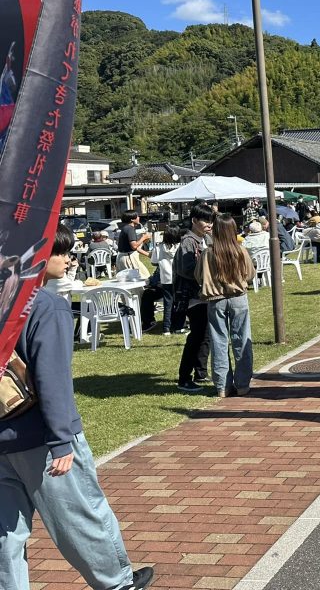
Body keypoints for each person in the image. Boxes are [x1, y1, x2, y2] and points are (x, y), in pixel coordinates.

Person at [0, 225, 155, 590]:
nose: (68, 259)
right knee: (81, 518)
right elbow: (52, 378)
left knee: (6, 533)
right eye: (60, 251)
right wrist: (61, 439)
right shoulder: (44, 306)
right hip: (39, 434)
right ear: (36, 256)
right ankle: (117, 583)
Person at [196, 214, 255, 399]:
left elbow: (199, 277)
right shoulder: (240, 250)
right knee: (242, 339)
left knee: (219, 342)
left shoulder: (208, 253)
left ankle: (222, 386)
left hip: (215, 300)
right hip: (238, 297)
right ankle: (243, 384)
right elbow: (250, 274)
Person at [175, 203, 214, 393]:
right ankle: (184, 377)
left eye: (211, 220)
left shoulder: (207, 238)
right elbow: (186, 270)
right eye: (205, 220)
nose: (209, 224)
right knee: (196, 336)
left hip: (206, 295)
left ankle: (201, 371)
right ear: (194, 221)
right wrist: (206, 269)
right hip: (193, 296)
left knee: (205, 334)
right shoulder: (188, 242)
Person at [140, 227, 181, 334]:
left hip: (165, 279)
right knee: (179, 302)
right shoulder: (180, 246)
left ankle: (166, 328)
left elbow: (153, 262)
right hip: (179, 278)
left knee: (168, 304)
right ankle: (177, 325)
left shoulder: (159, 247)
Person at [114, 210, 151, 279]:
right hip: (128, 258)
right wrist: (144, 237)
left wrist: (148, 254)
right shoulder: (130, 229)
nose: (139, 218)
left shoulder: (125, 228)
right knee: (143, 278)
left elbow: (133, 247)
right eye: (137, 216)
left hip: (123, 257)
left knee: (128, 281)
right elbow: (134, 246)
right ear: (132, 219)